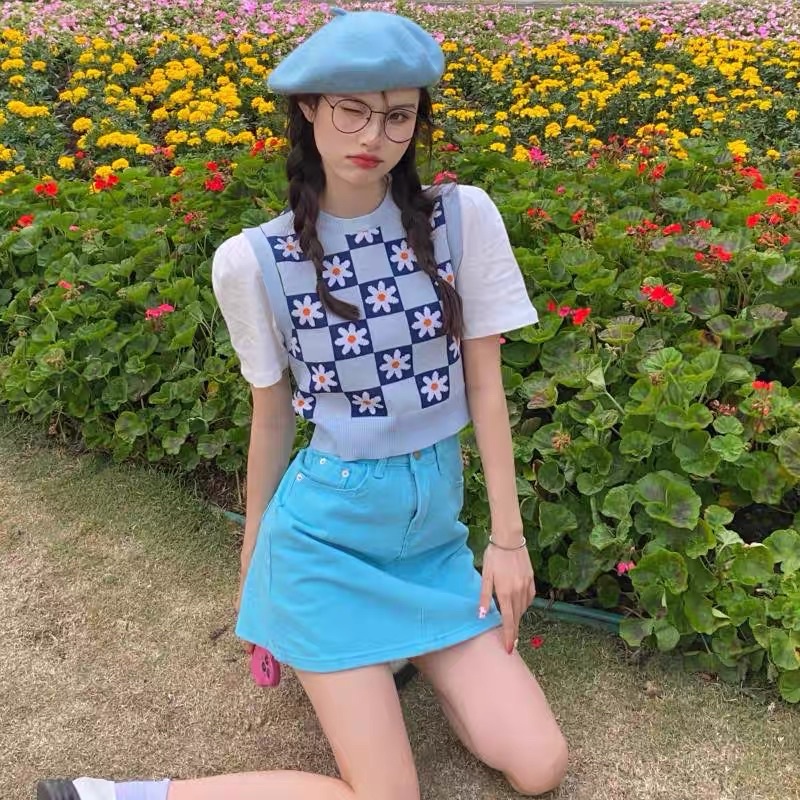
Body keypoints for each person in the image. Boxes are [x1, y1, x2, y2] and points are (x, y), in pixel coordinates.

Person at [37, 8, 568, 800]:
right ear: (309, 110)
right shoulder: (253, 260)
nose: (374, 135)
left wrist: (508, 539)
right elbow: (274, 410)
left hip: (432, 550)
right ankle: (123, 795)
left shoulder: (462, 219)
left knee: (539, 765)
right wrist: (256, 557)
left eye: (397, 115)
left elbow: (485, 385)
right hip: (324, 549)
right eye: (351, 110)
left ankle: (399, 651)